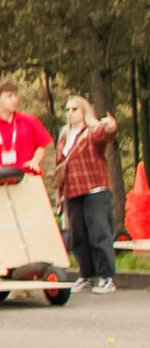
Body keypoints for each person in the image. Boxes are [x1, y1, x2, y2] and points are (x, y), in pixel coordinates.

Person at [58, 93, 120, 293]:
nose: (70, 113)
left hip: (95, 189)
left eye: (74, 109)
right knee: (78, 236)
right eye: (67, 110)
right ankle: (86, 274)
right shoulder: (64, 136)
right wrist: (60, 194)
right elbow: (60, 167)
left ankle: (106, 276)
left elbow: (106, 136)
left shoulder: (92, 131)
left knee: (98, 234)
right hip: (72, 191)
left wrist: (111, 126)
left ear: (84, 111)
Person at [0, 79, 51, 176]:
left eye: (15, 95)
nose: (14, 100)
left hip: (28, 177)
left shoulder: (30, 120)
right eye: (9, 96)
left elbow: (42, 146)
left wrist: (35, 161)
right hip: (1, 180)